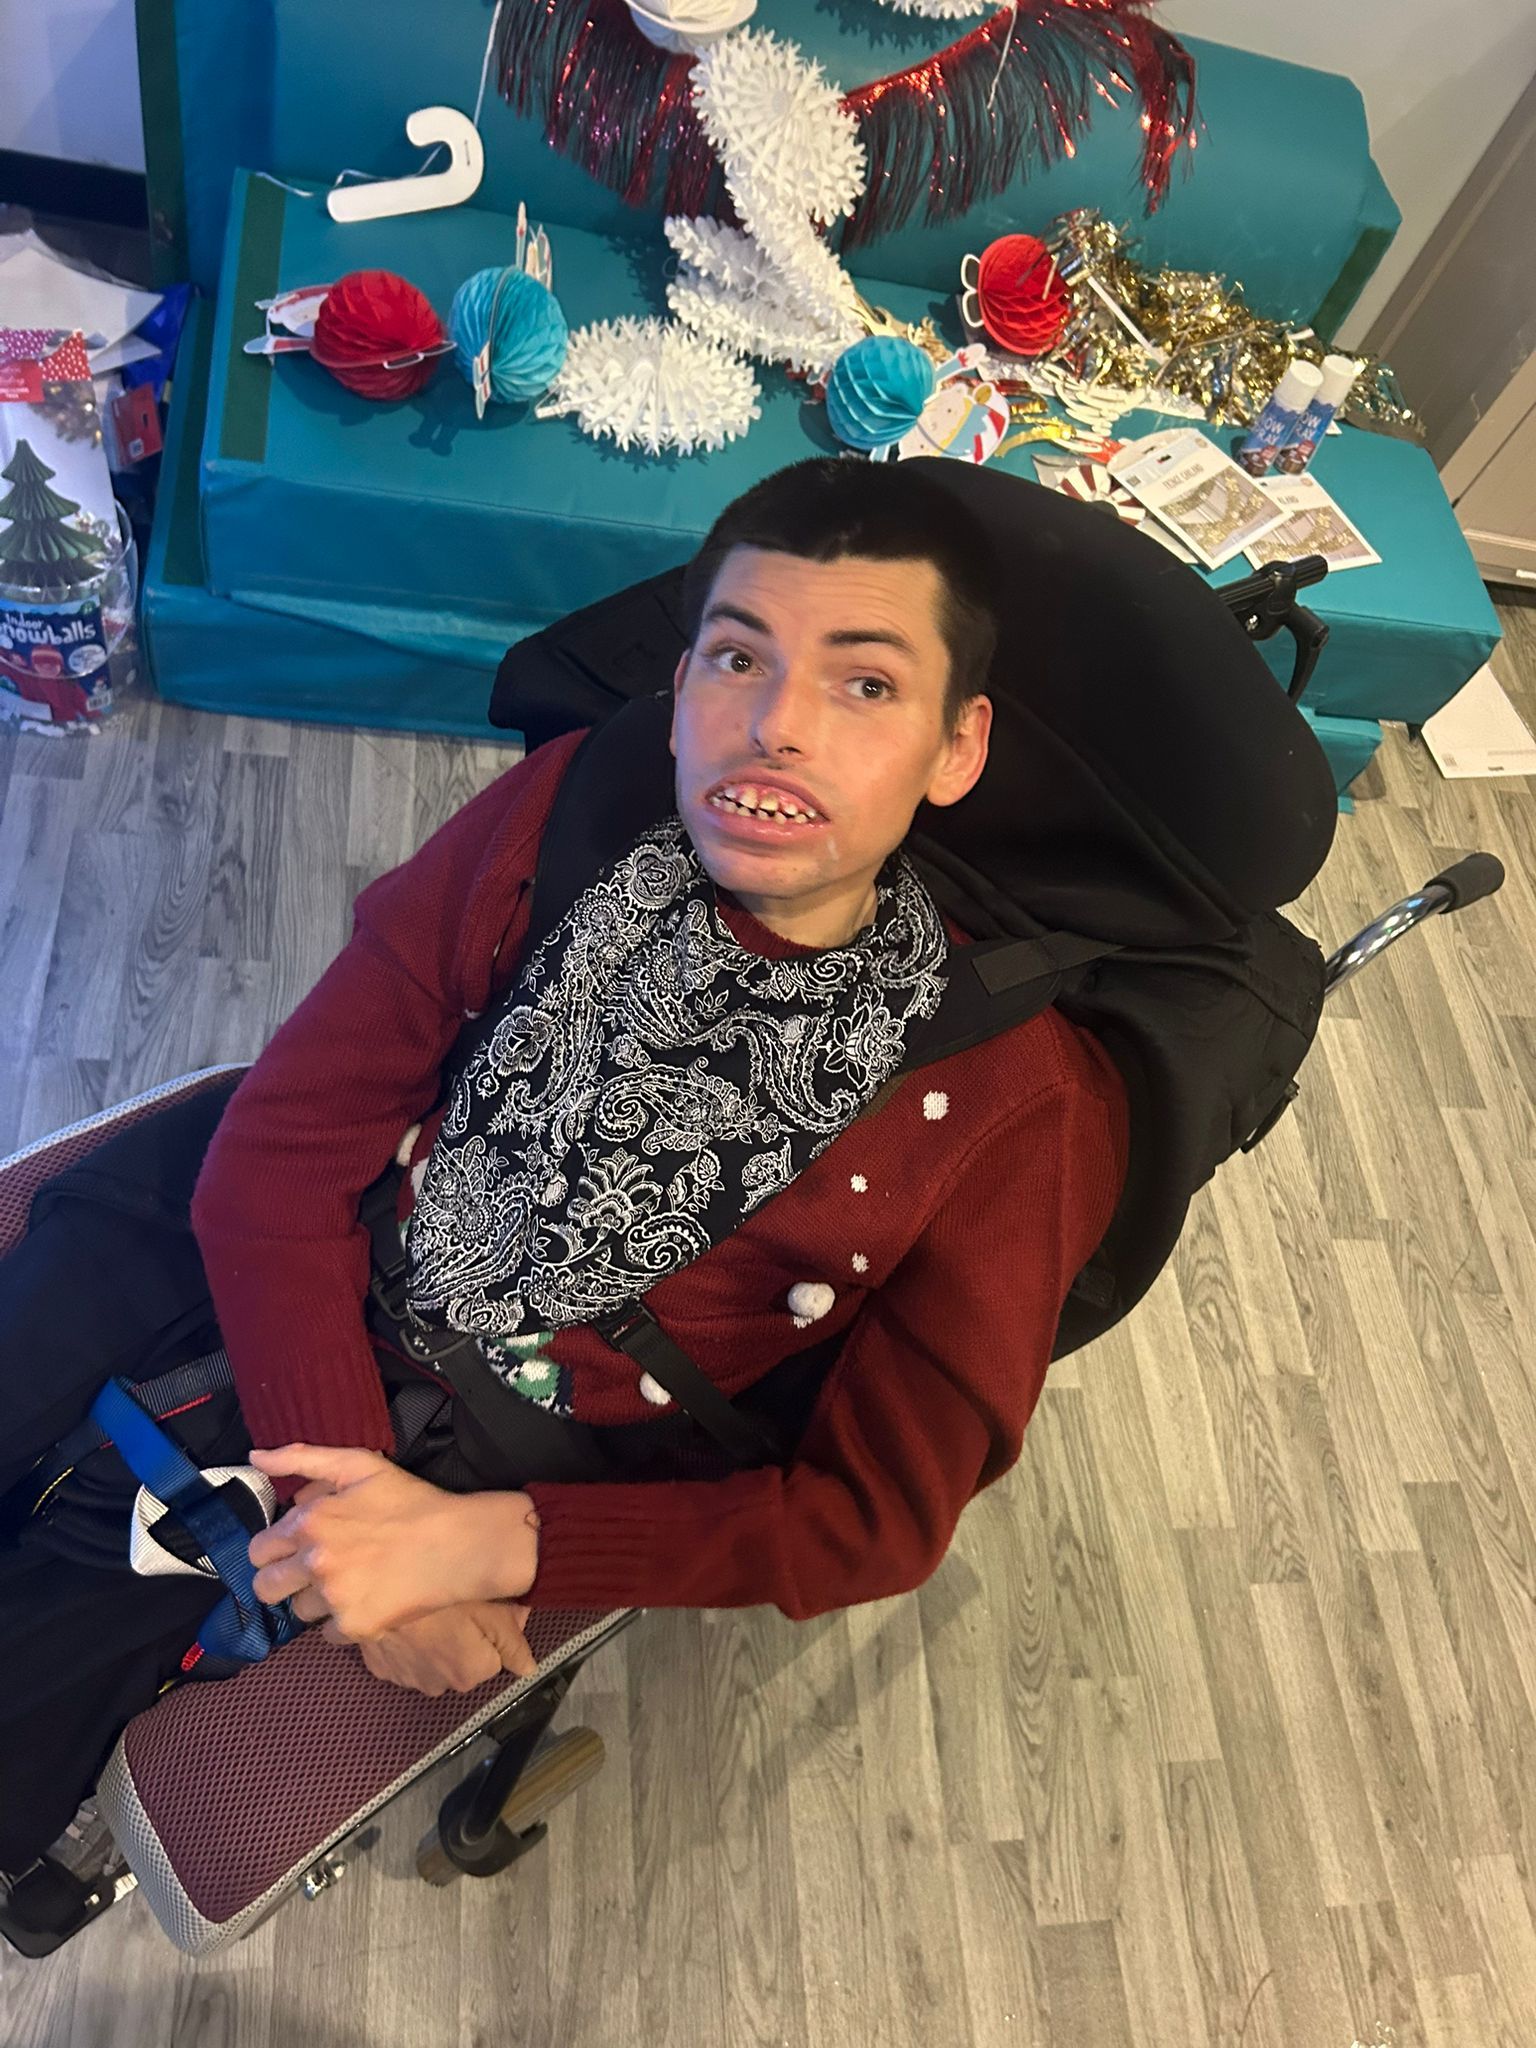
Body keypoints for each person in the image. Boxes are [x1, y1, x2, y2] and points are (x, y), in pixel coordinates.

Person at [0, 456, 1127, 1878]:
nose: (773, 727)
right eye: (737, 658)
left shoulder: (1011, 1111)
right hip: (292, 1254)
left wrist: (488, 1549)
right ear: (679, 685)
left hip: (517, 1431)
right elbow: (283, 1148)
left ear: (956, 749)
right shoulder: (572, 813)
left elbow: (871, 1522)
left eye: (863, 685)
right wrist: (347, 1503)